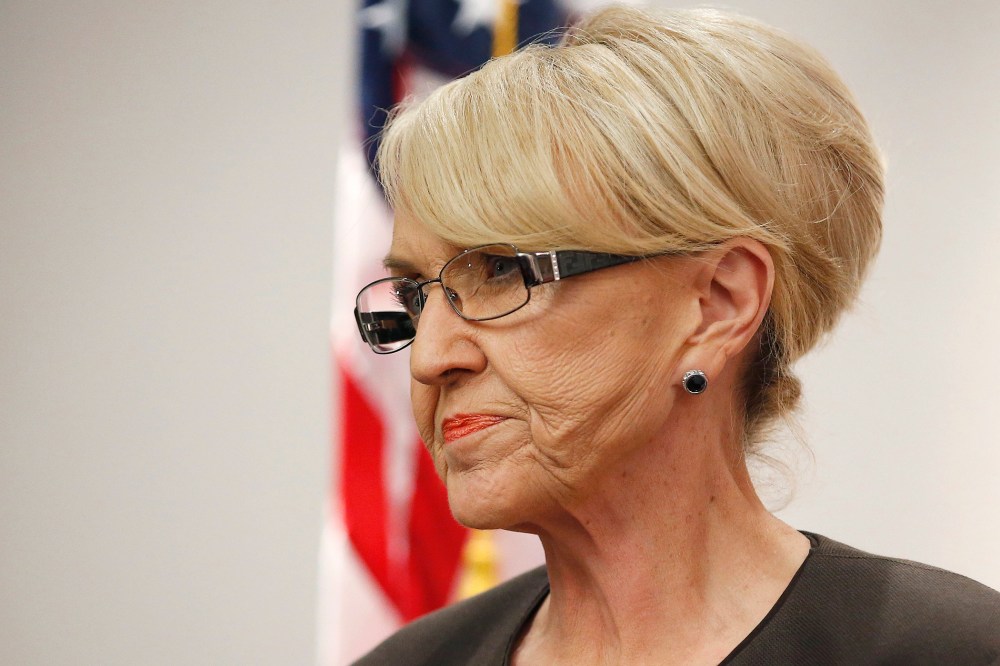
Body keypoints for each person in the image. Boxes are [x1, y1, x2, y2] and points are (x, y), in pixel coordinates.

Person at [350, 5, 1000, 664]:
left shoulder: (948, 648)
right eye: (413, 295)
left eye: (501, 270)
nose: (430, 358)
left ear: (717, 306)